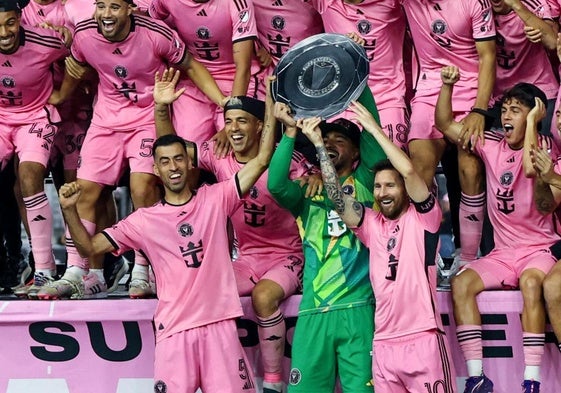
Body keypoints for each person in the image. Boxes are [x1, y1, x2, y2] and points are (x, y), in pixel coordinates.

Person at [58, 83, 276, 390]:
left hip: (220, 327)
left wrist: (270, 103)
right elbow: (89, 246)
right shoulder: (144, 221)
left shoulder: (216, 198)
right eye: (164, 161)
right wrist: (68, 210)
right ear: (156, 170)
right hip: (174, 331)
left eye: (178, 159)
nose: (172, 167)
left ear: (190, 163)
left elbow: (263, 158)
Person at [39, 0, 228, 300]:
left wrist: (224, 103)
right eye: (100, 6)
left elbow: (190, 64)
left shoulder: (156, 33)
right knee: (84, 190)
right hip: (106, 121)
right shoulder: (85, 33)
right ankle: (78, 271)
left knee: (142, 187)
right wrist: (61, 94)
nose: (105, 14)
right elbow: (77, 65)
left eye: (114, 7)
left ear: (130, 8)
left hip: (146, 118)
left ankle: (143, 269)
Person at [153, 69, 309, 393]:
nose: (234, 128)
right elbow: (174, 156)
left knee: (265, 297)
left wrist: (316, 179)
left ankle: (274, 383)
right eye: (229, 120)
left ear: (260, 126)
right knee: (207, 291)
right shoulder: (218, 154)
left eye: (241, 121)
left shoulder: (288, 159)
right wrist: (161, 109)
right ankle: (218, 370)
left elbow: (314, 188)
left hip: (286, 257)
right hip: (248, 257)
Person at [301, 100, 457, 393]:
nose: (382, 192)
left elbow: (411, 173)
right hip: (383, 343)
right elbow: (336, 198)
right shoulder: (371, 225)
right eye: (378, 186)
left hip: (422, 337)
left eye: (390, 186)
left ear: (406, 192)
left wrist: (373, 129)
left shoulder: (425, 218)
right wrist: (320, 148)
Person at [436, 65, 561, 393]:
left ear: (533, 116)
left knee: (532, 284)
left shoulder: (547, 149)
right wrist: (447, 86)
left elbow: (533, 170)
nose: (506, 116)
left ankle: (531, 380)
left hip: (538, 249)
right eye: (504, 109)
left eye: (516, 110)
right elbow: (446, 125)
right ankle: (477, 378)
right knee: (460, 284)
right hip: (503, 253)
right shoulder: (492, 144)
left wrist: (534, 122)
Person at [268, 87, 385, 392]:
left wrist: (361, 81)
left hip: (357, 310)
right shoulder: (307, 190)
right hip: (313, 312)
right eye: (326, 138)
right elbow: (276, 185)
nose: (330, 143)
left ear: (356, 152)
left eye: (340, 140)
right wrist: (291, 131)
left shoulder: (367, 184)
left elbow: (373, 136)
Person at [401, 0, 496, 270]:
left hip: (470, 90)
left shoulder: (474, 3)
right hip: (430, 88)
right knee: (418, 171)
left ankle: (468, 257)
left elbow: (487, 56)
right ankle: (421, 258)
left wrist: (479, 110)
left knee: (469, 169)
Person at [0, 0, 69, 298]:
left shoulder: (44, 41)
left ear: (19, 19)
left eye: (10, 23)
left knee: (29, 176)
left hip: (34, 117)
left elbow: (84, 53)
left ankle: (43, 269)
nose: (4, 32)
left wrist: (64, 93)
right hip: (1, 119)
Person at [149, 0, 266, 144]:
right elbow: (149, 22)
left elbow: (243, 67)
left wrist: (230, 119)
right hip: (192, 78)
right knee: (188, 148)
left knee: (234, 142)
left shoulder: (237, 3)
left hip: (233, 77)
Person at [310, 0, 410, 150]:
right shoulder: (326, 3)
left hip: (387, 100)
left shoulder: (391, 4)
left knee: (390, 163)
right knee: (338, 163)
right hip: (343, 102)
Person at [490, 0, 558, 134]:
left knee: (546, 147)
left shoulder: (532, 3)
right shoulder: (479, 7)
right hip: (500, 96)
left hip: (540, 89)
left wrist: (518, 6)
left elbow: (552, 42)